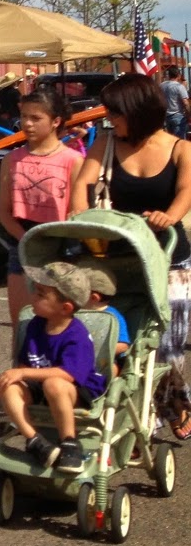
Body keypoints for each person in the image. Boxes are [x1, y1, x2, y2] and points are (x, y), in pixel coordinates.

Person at [70, 72, 191, 438]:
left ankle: (176, 399)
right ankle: (139, 424)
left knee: (168, 346)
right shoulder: (105, 144)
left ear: (136, 111)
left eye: (115, 113)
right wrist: (80, 218)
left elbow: (186, 191)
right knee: (122, 346)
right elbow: (82, 186)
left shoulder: (180, 149)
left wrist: (170, 214)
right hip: (116, 260)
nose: (109, 119)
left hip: (169, 258)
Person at [0, 262, 107, 473]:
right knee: (8, 387)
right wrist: (15, 375)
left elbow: (68, 373)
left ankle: (69, 442)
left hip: (74, 389)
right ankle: (35, 441)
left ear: (65, 308)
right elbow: (25, 362)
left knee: (54, 383)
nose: (33, 298)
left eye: (41, 295)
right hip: (39, 385)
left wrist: (23, 372)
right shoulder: (36, 325)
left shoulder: (77, 335)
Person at [0, 88, 84, 323]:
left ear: (55, 121)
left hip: (62, 248)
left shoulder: (72, 160)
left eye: (36, 118)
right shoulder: (11, 160)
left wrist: (51, 241)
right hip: (23, 246)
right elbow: (4, 212)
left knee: (60, 324)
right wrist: (26, 239)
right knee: (22, 324)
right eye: (24, 116)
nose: (27, 123)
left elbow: (77, 212)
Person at [77, 261, 130, 374]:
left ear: (94, 297)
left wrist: (99, 350)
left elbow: (123, 345)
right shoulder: (75, 312)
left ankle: (105, 387)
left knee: (113, 368)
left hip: (102, 362)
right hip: (75, 358)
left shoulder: (113, 317)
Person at [163, 65, 189, 140]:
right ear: (178, 75)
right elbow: (186, 103)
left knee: (171, 141)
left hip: (166, 117)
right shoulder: (180, 87)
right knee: (179, 141)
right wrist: (188, 115)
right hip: (178, 116)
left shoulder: (162, 85)